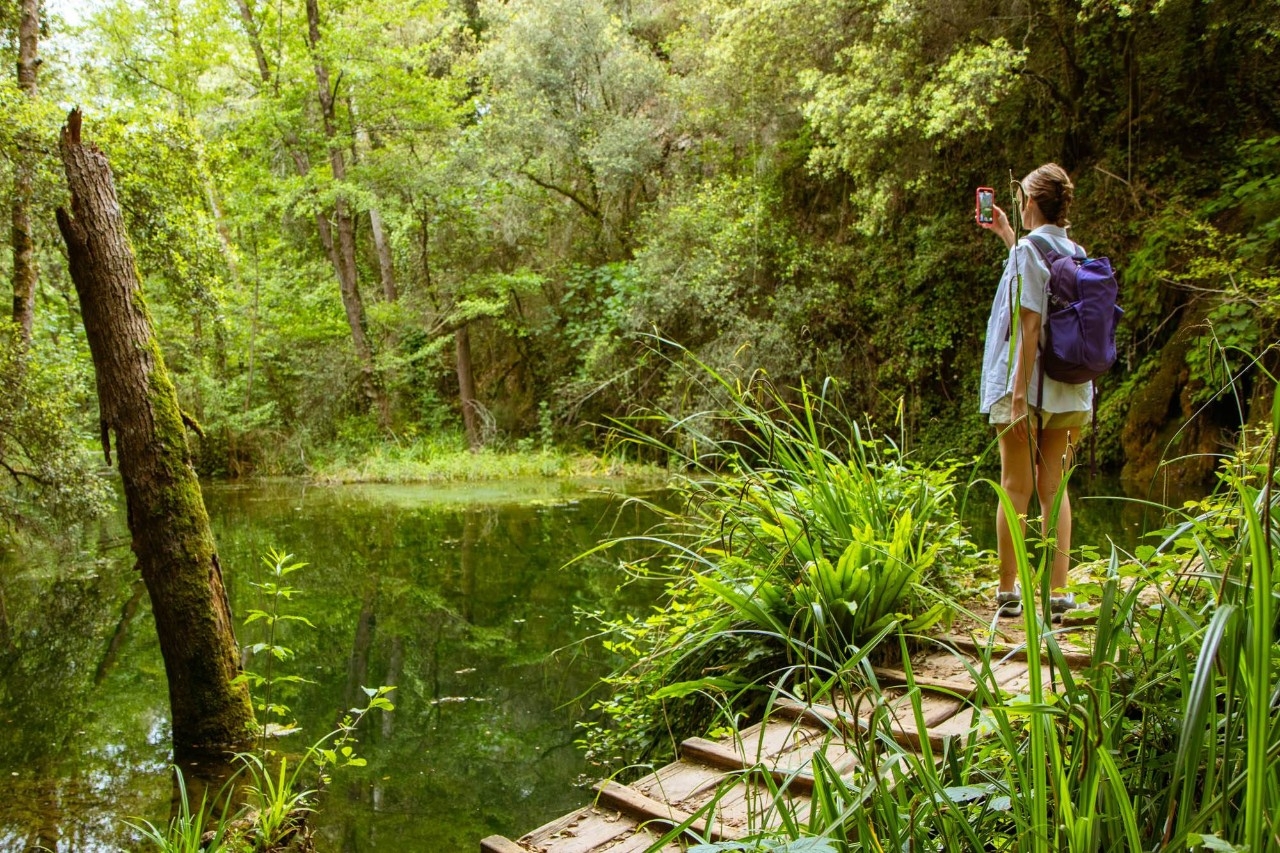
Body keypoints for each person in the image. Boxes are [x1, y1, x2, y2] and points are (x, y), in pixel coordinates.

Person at [977, 163, 1085, 620]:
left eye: (1021, 200)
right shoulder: (1074, 250)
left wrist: (1017, 396)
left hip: (1028, 388)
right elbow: (1037, 287)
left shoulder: (1028, 250)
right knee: (1053, 489)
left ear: (1032, 202)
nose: (1017, 207)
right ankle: (1058, 594)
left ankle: (1008, 591)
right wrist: (1005, 235)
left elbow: (1029, 322)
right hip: (1068, 387)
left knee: (1014, 488)